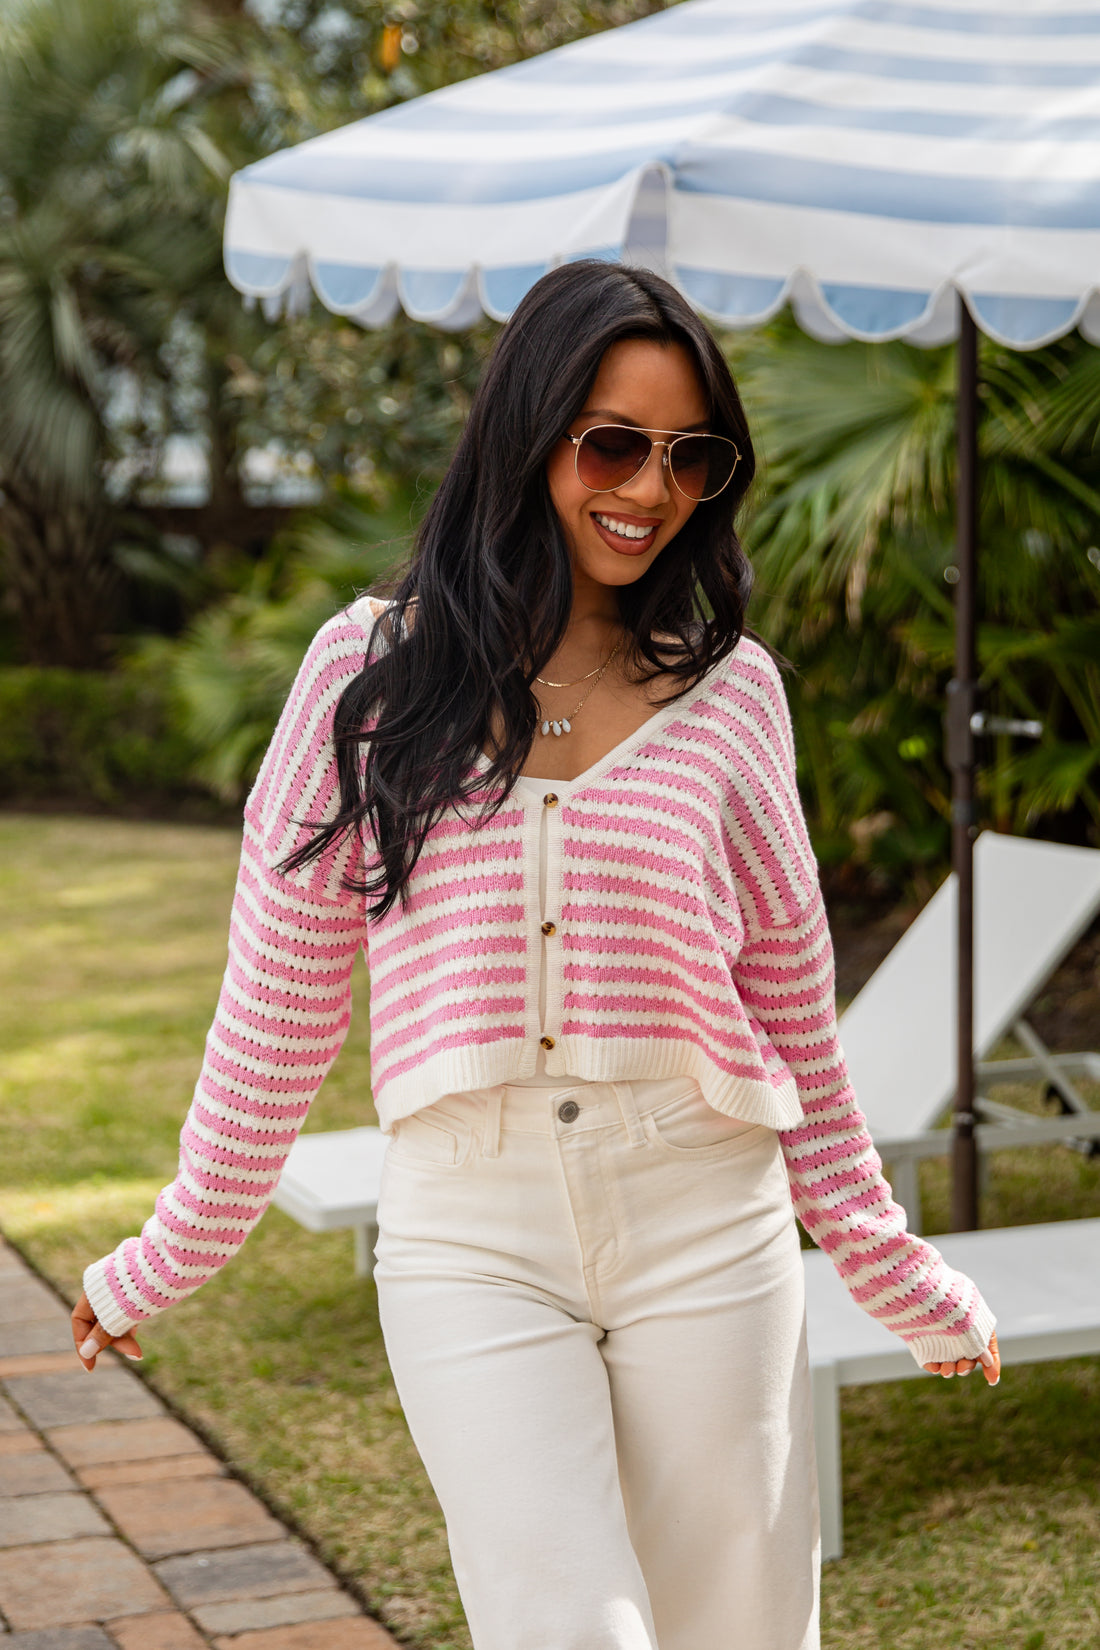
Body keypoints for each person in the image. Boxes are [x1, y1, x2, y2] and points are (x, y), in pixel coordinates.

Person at [71, 261, 1000, 1650]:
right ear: (529, 437)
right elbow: (277, 1001)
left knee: (736, 1626)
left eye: (695, 455)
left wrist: (882, 1255)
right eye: (612, 442)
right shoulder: (365, 678)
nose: (651, 486)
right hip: (470, 1226)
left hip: (708, 1212)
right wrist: (167, 1249)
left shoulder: (734, 693)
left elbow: (792, 1003)